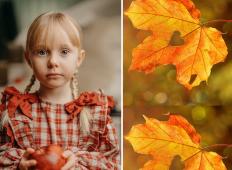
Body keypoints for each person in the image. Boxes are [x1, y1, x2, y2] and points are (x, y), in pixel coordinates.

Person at [0, 12, 120, 170]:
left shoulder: (94, 114)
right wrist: (19, 163)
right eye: (42, 52)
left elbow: (112, 163)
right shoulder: (16, 113)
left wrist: (78, 160)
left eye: (64, 52)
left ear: (79, 59)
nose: (53, 62)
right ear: (29, 59)